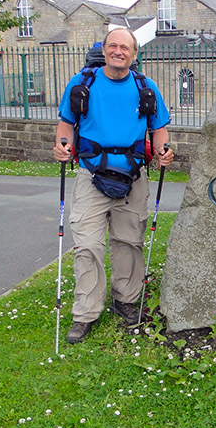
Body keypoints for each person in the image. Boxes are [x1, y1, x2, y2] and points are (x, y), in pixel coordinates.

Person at [52, 28, 174, 344]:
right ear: (104, 50)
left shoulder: (146, 88)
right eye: (113, 46)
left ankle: (127, 302)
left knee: (129, 241)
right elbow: (66, 123)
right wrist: (62, 146)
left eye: (125, 47)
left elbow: (158, 128)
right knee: (88, 244)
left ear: (134, 55)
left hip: (133, 177)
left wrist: (163, 152)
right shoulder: (82, 84)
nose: (118, 51)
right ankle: (86, 313)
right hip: (91, 176)